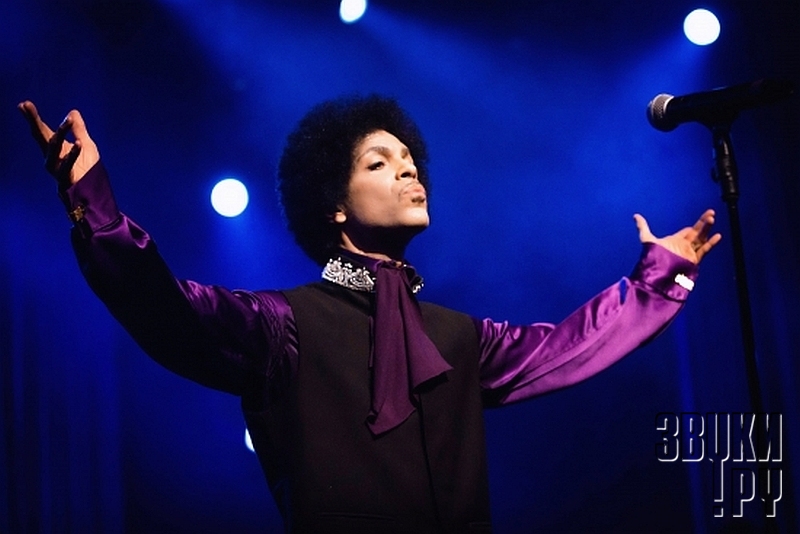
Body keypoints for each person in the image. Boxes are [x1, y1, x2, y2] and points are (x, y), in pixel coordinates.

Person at [19, 95, 720, 533]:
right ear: (334, 203)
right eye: (380, 163)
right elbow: (162, 307)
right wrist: (92, 200)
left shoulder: (457, 335)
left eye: (410, 160)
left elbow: (571, 346)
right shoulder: (283, 324)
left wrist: (660, 274)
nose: (409, 170)